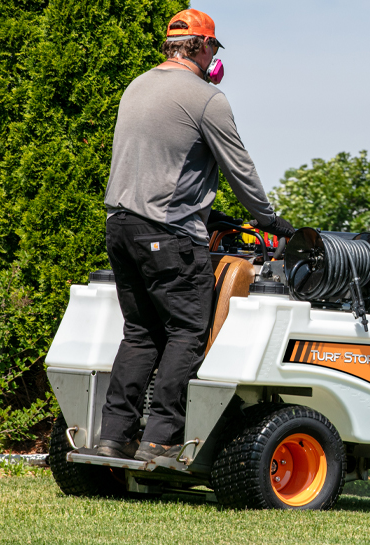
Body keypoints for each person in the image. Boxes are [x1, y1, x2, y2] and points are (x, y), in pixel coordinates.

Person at [97, 9, 294, 461]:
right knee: (187, 331)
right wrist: (269, 221)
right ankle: (160, 439)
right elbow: (239, 168)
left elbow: (159, 164)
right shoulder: (207, 98)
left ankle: (114, 436)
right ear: (203, 47)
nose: (214, 59)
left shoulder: (137, 86)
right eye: (213, 50)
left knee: (141, 333)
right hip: (168, 234)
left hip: (120, 226)